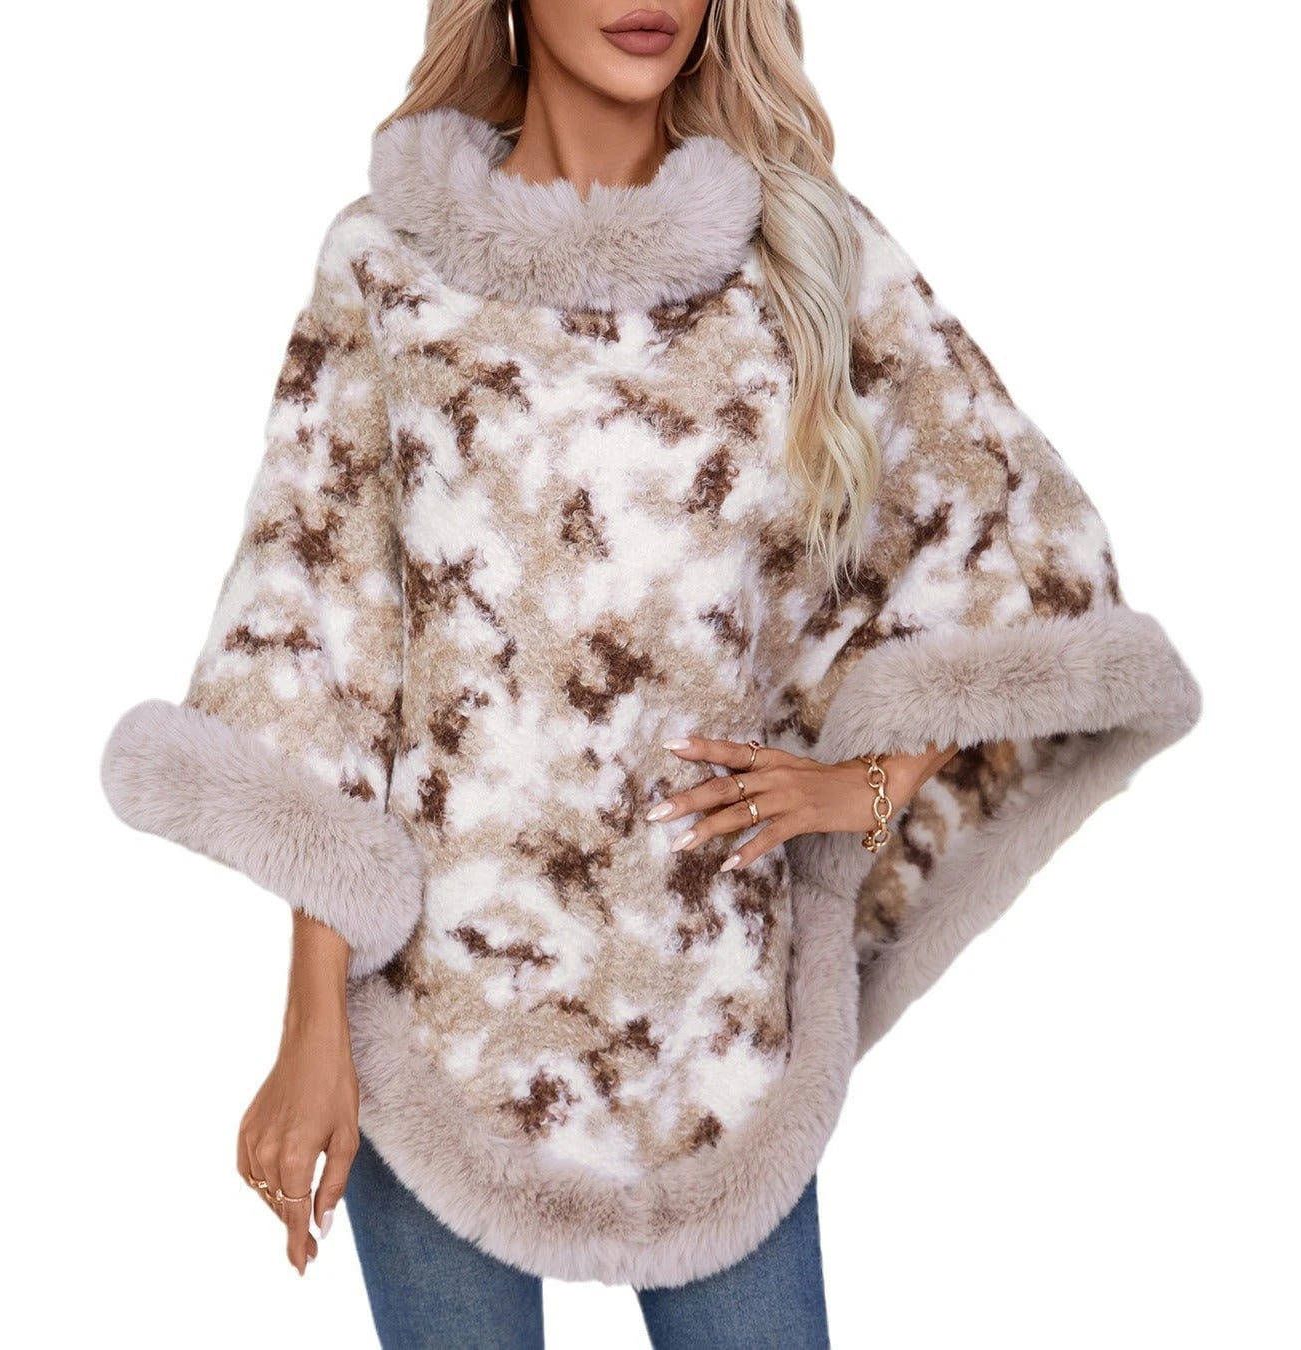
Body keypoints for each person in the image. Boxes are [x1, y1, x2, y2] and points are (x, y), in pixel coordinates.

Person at [98, 1, 1203, 1345]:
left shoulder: (802, 256)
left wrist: (865, 788)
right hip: (437, 1029)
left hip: (713, 1030)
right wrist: (310, 1021)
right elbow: (326, 643)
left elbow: (1010, 538)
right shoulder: (388, 264)